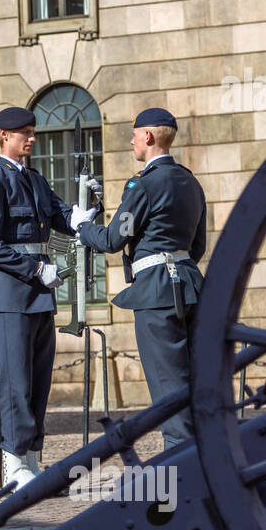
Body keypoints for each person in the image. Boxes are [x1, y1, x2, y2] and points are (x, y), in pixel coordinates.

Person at [72, 107, 207, 449]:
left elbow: (112, 240)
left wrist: (82, 226)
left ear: (147, 137)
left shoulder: (144, 185)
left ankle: (182, 475)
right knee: (194, 384)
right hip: (191, 288)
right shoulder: (190, 182)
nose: (131, 140)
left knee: (168, 388)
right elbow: (198, 246)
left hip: (156, 295)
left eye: (134, 134)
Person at [0, 106, 87, 490]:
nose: (32, 138)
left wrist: (82, 214)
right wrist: (36, 270)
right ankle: (13, 462)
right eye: (24, 133)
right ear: (3, 136)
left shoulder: (35, 180)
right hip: (10, 296)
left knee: (39, 382)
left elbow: (59, 216)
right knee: (16, 384)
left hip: (40, 296)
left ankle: (32, 459)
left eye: (32, 132)